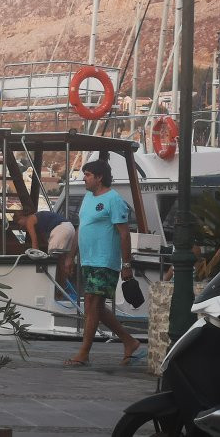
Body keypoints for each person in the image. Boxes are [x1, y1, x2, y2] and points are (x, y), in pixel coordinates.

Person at [63, 155, 143, 367]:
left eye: (87, 175)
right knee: (94, 307)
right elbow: (81, 227)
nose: (84, 179)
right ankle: (129, 341)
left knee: (92, 303)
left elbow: (124, 234)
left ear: (99, 177)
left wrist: (127, 265)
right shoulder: (88, 198)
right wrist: (71, 256)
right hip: (88, 260)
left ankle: (84, 353)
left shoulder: (114, 200)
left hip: (105, 261)